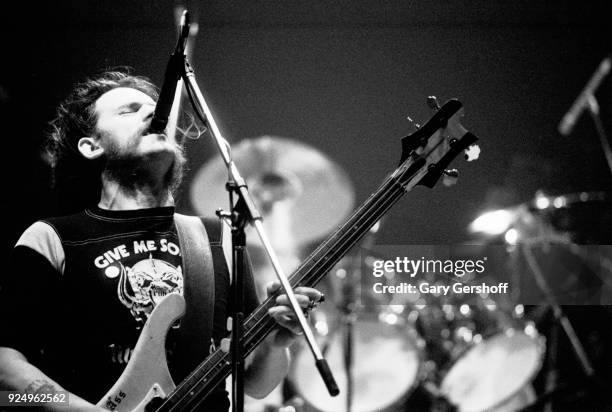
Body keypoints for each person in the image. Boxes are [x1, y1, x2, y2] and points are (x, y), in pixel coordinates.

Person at [0, 70, 322, 411]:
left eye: (156, 109)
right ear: (92, 146)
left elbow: (256, 385)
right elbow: (7, 378)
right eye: (128, 110)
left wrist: (275, 345)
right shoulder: (53, 239)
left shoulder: (220, 239)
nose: (154, 114)